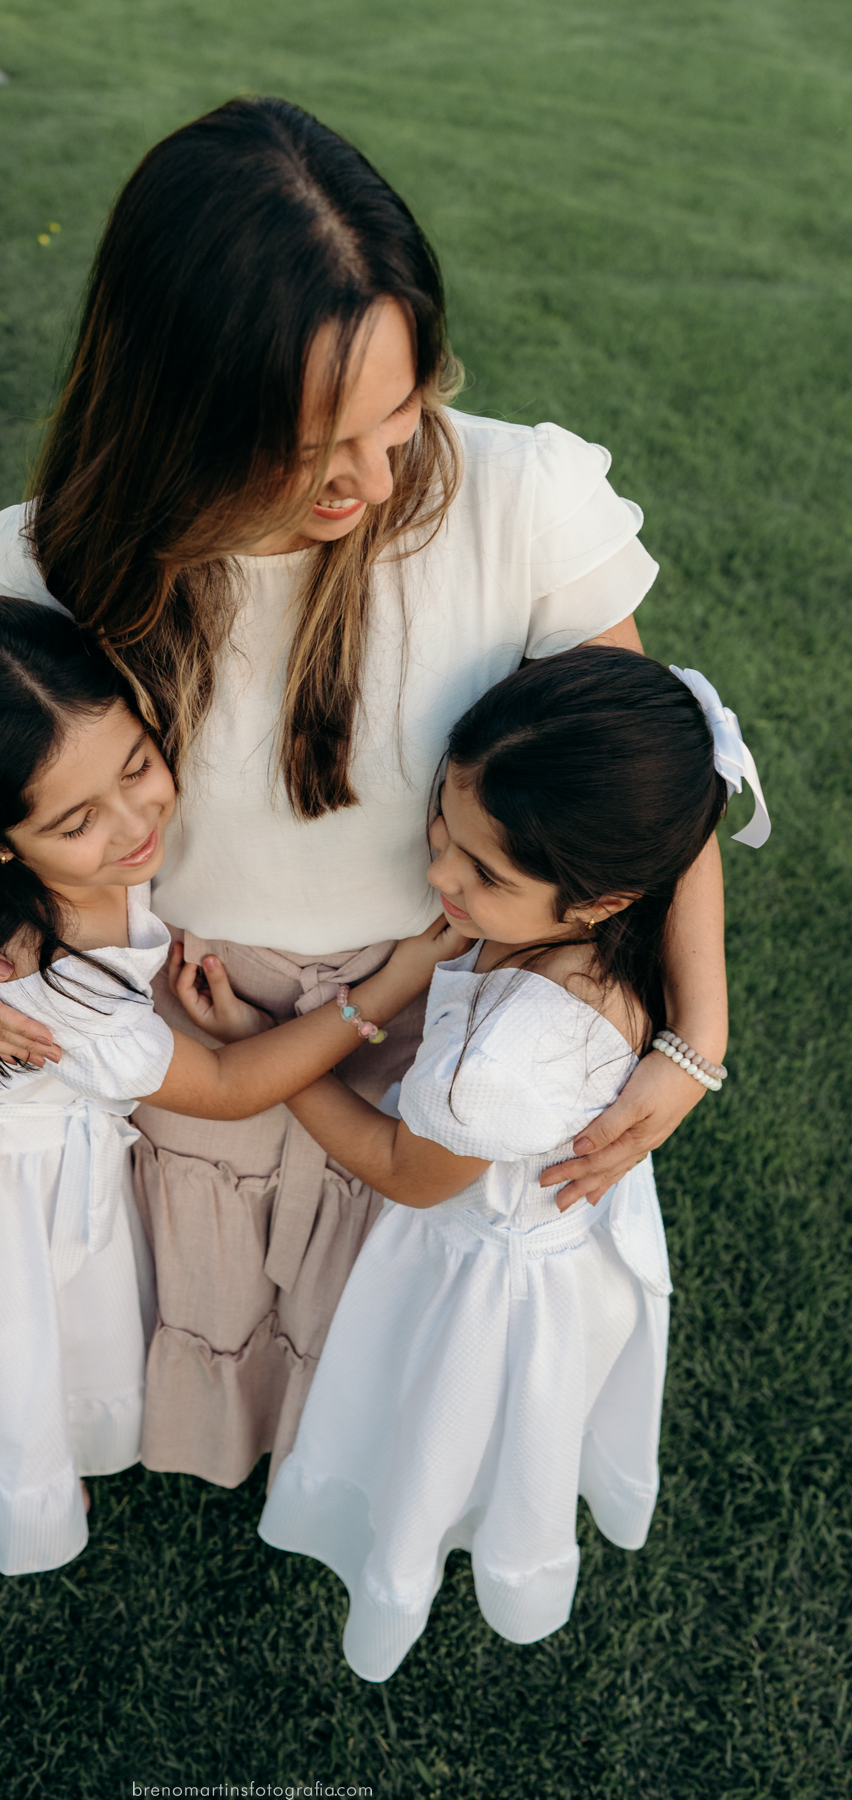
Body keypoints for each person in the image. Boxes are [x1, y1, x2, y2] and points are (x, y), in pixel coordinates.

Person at [0, 96, 729, 1489]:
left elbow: (657, 766)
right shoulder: (80, 550)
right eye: (319, 445)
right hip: (187, 1020)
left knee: (380, 1320)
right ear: (181, 408)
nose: (379, 479)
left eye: (401, 414)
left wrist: (695, 1031)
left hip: (415, 1002)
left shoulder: (517, 501)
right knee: (207, 1275)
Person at [0, 600, 454, 1579]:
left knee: (19, 1332)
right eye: (79, 822)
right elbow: (222, 1083)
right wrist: (386, 987)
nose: (135, 826)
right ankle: (3, 1474)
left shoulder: (12, 866)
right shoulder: (44, 983)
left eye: (137, 766)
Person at [256, 648, 770, 1670]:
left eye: (483, 873)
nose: (440, 873)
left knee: (437, 1430)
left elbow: (404, 1170)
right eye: (444, 827)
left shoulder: (494, 1073)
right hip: (559, 1247)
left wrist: (285, 1070)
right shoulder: (610, 940)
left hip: (480, 1283)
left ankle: (404, 1565)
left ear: (595, 902)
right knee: (519, 1433)